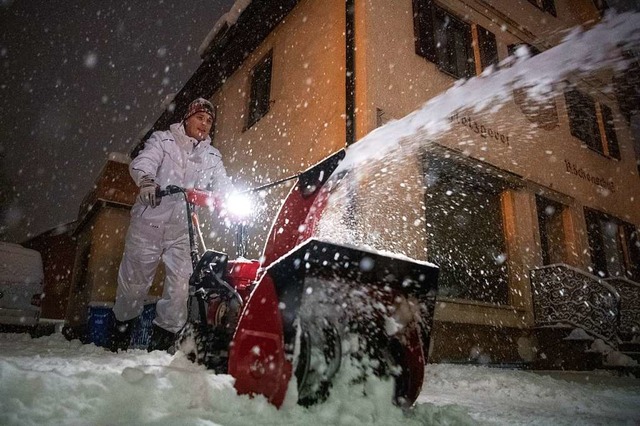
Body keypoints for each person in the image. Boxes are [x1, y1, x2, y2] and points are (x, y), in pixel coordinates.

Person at [109, 97, 232, 352]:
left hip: (181, 231)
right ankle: (118, 341)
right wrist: (147, 182)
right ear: (188, 118)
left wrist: (228, 202)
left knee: (179, 291)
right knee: (133, 287)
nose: (204, 124)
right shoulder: (163, 140)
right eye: (200, 117)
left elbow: (223, 185)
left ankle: (160, 348)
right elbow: (144, 162)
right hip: (149, 224)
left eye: (209, 121)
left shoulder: (212, 156)